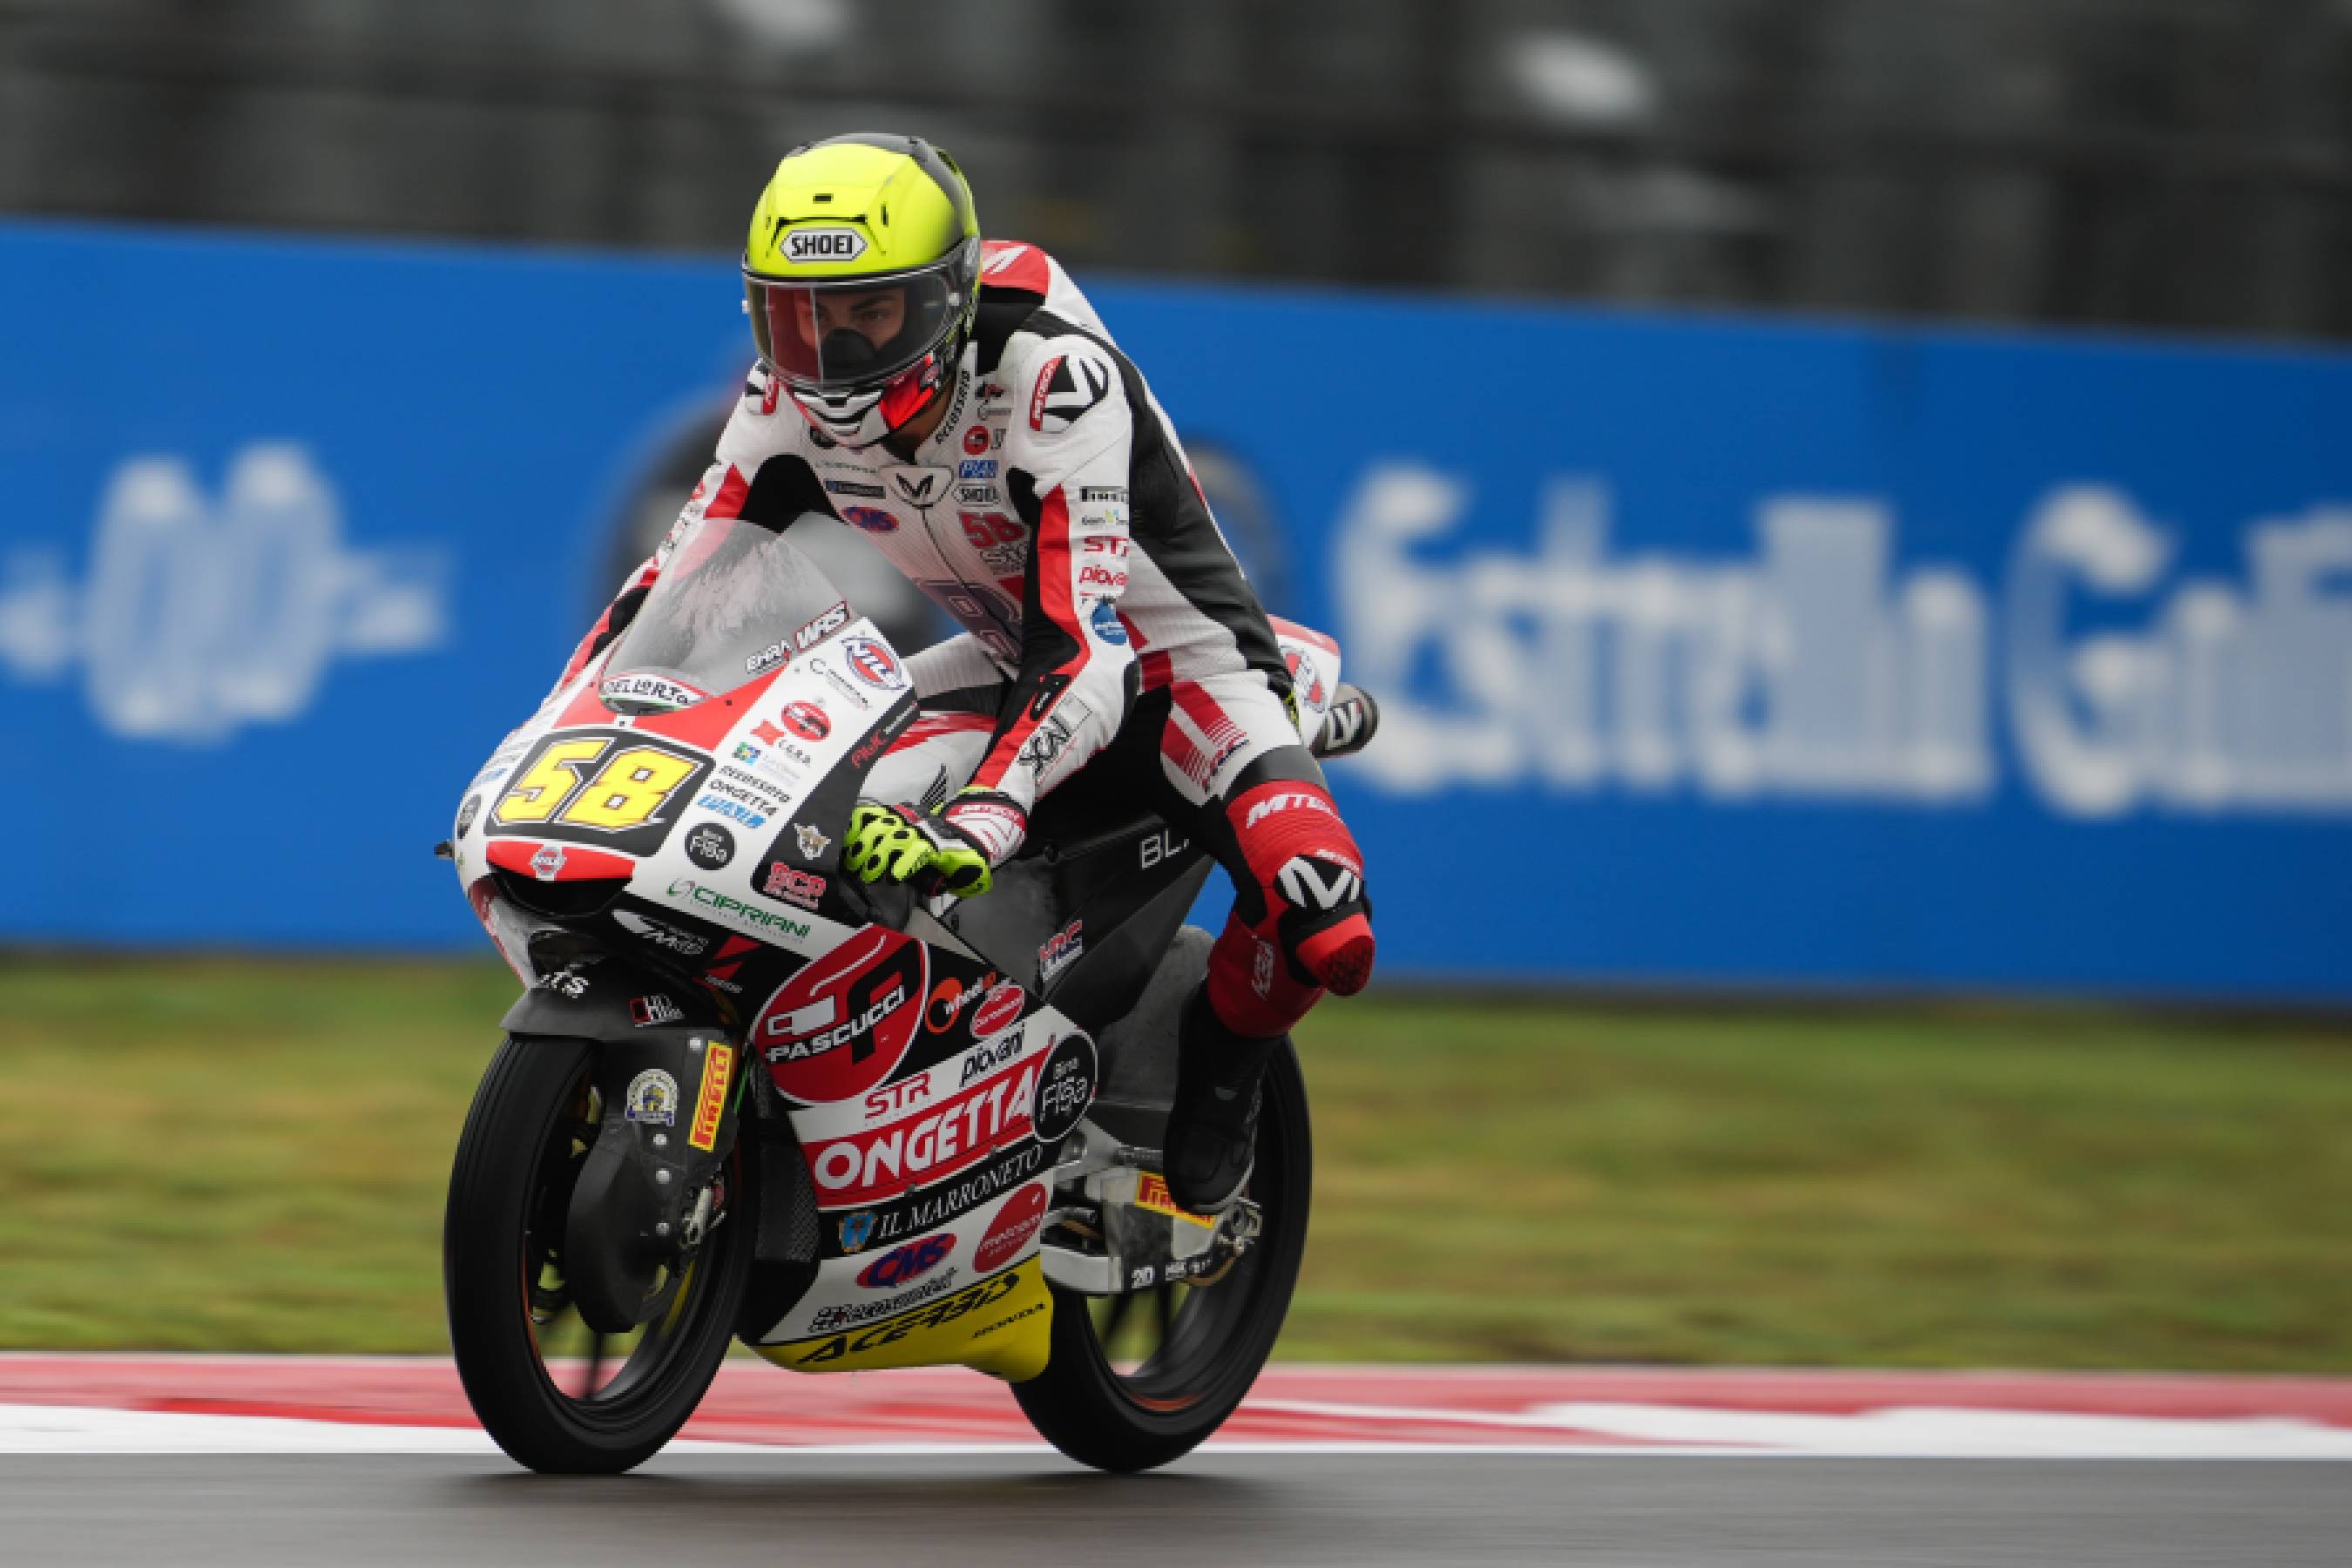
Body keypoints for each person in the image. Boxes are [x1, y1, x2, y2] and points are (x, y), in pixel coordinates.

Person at [557, 132, 1373, 1214]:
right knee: (810, 821)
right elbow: (676, 578)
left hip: (1182, 672)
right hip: (1001, 660)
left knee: (1327, 918)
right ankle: (871, 1111)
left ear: (947, 300)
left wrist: (986, 815)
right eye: (797, 318)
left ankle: (1224, 1073)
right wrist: (566, 724)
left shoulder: (1053, 380)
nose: (831, 353)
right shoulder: (780, 396)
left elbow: (1088, 647)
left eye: (870, 314)